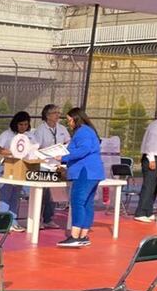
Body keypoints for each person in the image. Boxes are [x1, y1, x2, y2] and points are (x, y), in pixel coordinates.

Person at [57, 107, 105, 248]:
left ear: (75, 118)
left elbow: (84, 149)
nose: (69, 123)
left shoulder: (82, 132)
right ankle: (83, 235)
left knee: (77, 201)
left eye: (69, 120)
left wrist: (63, 157)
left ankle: (75, 235)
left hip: (85, 170)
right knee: (87, 203)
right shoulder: (89, 131)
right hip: (93, 171)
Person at [30, 104, 71, 228]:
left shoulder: (62, 128)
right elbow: (36, 147)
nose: (58, 115)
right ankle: (38, 220)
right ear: (47, 116)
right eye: (55, 113)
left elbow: (68, 141)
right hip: (44, 165)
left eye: (58, 112)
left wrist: (63, 148)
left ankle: (49, 219)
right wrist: (48, 151)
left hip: (57, 165)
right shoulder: (40, 130)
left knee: (54, 194)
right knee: (43, 194)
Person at [0, 111, 33, 233]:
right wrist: (12, 152)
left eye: (26, 124)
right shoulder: (7, 134)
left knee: (16, 195)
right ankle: (3, 221)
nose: (23, 127)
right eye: (21, 124)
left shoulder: (29, 136)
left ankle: (13, 221)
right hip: (7, 166)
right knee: (6, 194)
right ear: (15, 124)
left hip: (21, 167)